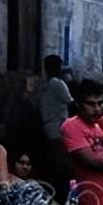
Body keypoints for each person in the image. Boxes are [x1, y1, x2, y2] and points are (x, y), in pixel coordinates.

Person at [40, 55, 73, 194]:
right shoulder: (58, 84)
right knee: (62, 163)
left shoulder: (44, 84)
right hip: (59, 127)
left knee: (55, 161)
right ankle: (61, 192)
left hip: (48, 127)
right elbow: (71, 102)